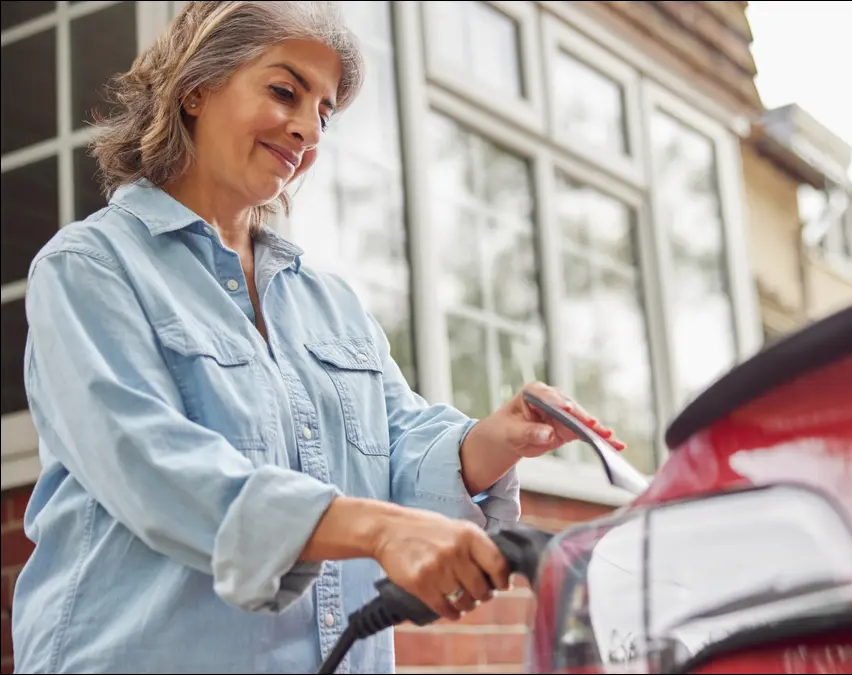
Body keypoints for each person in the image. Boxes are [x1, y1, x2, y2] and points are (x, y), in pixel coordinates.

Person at [10, 2, 626, 673]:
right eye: (284, 91)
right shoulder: (90, 268)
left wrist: (491, 441)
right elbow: (152, 467)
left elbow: (397, 445)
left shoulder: (328, 303)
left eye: (325, 113)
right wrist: (378, 528)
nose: (307, 129)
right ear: (196, 89)